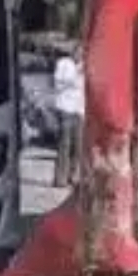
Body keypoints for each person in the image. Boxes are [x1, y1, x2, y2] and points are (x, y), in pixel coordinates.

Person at [51, 44, 85, 187]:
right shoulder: (63, 63)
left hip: (80, 109)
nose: (80, 55)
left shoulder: (85, 66)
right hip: (65, 107)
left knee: (79, 145)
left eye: (83, 53)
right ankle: (60, 178)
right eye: (78, 52)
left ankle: (74, 176)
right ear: (73, 52)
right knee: (64, 143)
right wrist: (76, 75)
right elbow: (58, 83)